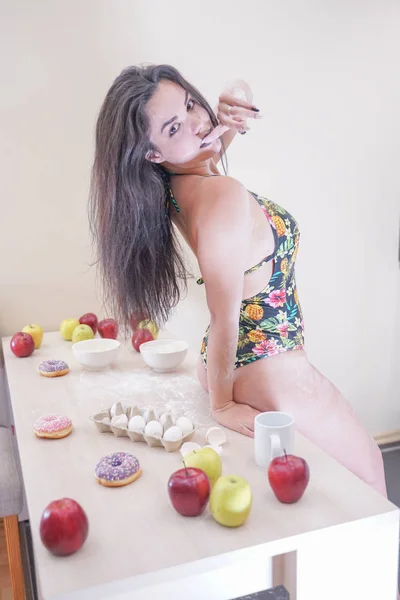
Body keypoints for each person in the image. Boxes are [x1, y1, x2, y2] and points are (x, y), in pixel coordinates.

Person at [89, 64, 387, 497]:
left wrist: (231, 100)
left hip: (238, 362)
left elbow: (211, 135)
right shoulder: (222, 196)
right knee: (371, 474)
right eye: (175, 126)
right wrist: (223, 405)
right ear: (152, 153)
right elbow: (223, 313)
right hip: (269, 366)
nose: (197, 123)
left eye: (192, 103)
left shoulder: (178, 181)